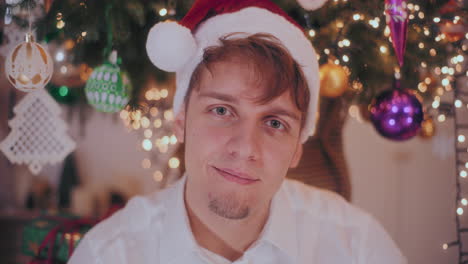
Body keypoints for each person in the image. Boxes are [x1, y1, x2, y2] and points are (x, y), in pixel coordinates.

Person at [69, 0, 407, 263]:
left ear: (298, 148)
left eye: (275, 123)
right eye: (221, 111)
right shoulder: (109, 254)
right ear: (182, 121)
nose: (246, 148)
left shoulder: (358, 246)